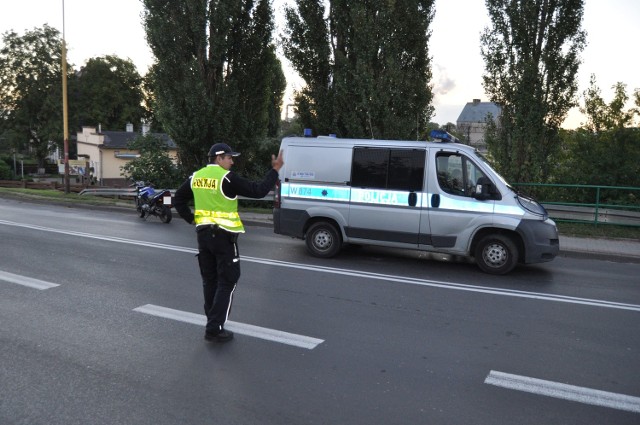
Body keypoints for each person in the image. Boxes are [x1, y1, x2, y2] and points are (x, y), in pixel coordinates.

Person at [173, 142, 284, 343]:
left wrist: (191, 219)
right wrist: (275, 170)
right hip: (224, 237)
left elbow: (178, 199)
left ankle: (212, 320)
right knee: (228, 280)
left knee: (210, 280)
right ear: (219, 158)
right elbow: (258, 190)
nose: (232, 162)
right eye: (230, 158)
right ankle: (214, 328)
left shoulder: (196, 177)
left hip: (203, 236)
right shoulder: (227, 178)